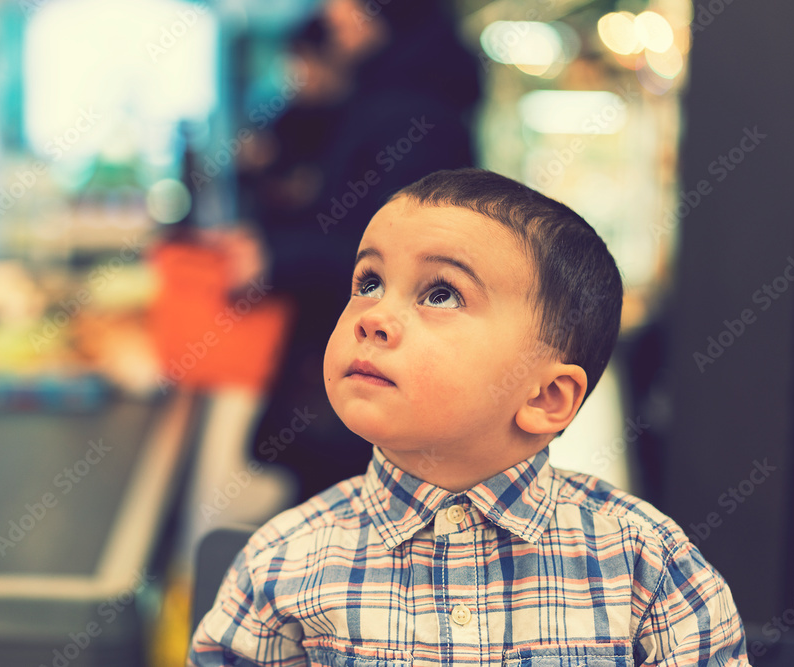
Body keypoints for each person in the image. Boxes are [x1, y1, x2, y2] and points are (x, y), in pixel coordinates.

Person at [188, 168, 749, 665]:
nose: (374, 316)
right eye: (369, 283)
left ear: (546, 397)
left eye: (440, 294)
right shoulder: (283, 561)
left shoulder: (646, 565)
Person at [243, 0, 482, 504]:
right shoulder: (385, 97)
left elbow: (404, 259)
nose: (332, 14)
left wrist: (275, 258)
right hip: (362, 367)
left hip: (375, 371)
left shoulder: (416, 112)